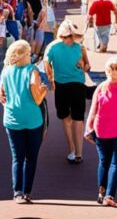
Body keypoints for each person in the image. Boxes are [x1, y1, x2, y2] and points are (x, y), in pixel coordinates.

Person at [0, 40, 49, 204]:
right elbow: (37, 98)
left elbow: (1, 92)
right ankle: (27, 191)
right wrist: (44, 91)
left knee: (17, 157)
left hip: (12, 119)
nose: (31, 56)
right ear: (24, 55)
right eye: (29, 53)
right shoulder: (32, 70)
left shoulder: (6, 71)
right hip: (33, 120)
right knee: (31, 157)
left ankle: (17, 191)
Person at [85, 56, 117, 207]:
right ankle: (108, 195)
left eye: (116, 69)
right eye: (114, 69)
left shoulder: (101, 87)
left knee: (105, 162)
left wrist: (88, 129)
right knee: (114, 163)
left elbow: (93, 111)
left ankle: (103, 192)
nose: (115, 72)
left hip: (106, 130)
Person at [45, 21, 91, 163]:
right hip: (63, 86)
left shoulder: (79, 47)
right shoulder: (53, 47)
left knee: (76, 118)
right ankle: (73, 149)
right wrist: (51, 78)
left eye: (71, 36)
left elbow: (88, 67)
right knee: (68, 118)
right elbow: (46, 64)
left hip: (75, 85)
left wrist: (83, 66)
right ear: (61, 36)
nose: (69, 39)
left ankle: (77, 152)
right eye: (67, 36)